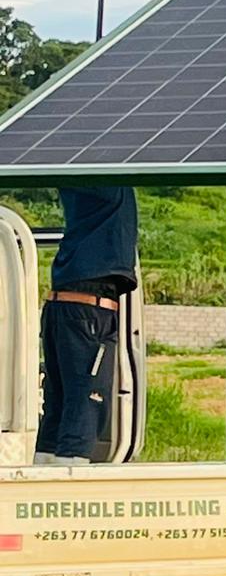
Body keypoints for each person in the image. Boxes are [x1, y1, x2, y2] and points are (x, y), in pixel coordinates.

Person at [36, 186, 138, 464]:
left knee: (58, 406)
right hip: (89, 311)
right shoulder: (110, 182)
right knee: (87, 401)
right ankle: (71, 484)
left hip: (63, 306)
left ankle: (41, 479)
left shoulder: (75, 177)